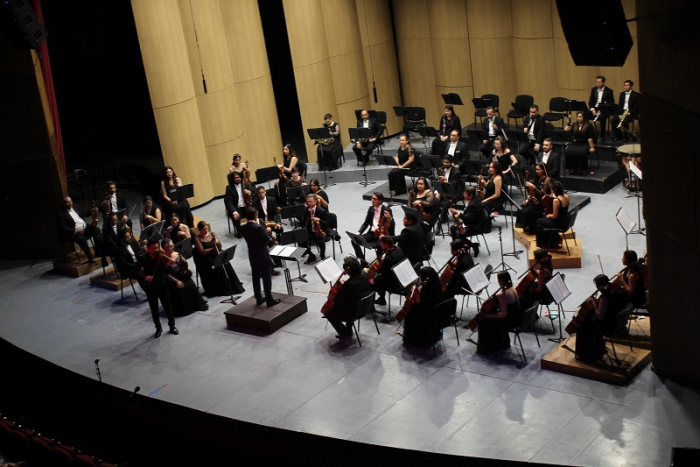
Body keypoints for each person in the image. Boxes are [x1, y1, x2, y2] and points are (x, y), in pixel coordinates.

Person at [575, 274, 625, 361]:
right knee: (586, 322)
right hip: (611, 320)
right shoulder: (612, 291)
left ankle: (585, 354)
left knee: (581, 327)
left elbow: (599, 315)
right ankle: (597, 348)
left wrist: (593, 303)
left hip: (605, 325)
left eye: (596, 284)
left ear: (599, 285)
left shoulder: (605, 297)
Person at [241, 207, 281, 308]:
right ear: (255, 215)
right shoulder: (259, 228)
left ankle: (258, 298)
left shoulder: (243, 227)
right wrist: (268, 233)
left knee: (256, 278)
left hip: (252, 255)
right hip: (263, 255)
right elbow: (267, 239)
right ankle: (269, 299)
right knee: (266, 278)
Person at [193, 221, 245, 297]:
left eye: (206, 229)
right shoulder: (197, 239)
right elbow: (202, 252)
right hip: (206, 259)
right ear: (199, 230)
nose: (206, 231)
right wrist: (212, 248)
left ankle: (231, 284)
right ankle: (223, 288)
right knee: (219, 267)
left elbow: (219, 246)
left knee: (226, 263)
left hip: (215, 255)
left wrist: (217, 243)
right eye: (203, 229)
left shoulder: (212, 234)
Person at [138, 239, 178, 338]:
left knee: (167, 306)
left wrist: (169, 265)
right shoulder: (143, 259)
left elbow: (166, 271)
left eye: (157, 248)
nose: (156, 250)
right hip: (150, 287)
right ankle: (158, 328)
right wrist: (145, 277)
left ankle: (172, 325)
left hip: (161, 285)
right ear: (148, 248)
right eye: (153, 249)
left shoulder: (161, 257)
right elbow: (136, 271)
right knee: (154, 309)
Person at [324, 256, 370, 339]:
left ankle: (345, 332)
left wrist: (339, 293)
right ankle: (349, 327)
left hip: (354, 312)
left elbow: (340, 303)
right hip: (365, 306)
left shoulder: (349, 284)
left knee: (328, 313)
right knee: (352, 301)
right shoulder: (364, 274)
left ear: (348, 269)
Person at [162, 238, 208, 315]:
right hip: (172, 279)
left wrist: (186, 268)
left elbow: (184, 264)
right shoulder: (163, 259)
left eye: (173, 245)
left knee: (190, 283)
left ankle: (194, 304)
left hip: (181, 274)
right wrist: (177, 281)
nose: (173, 247)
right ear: (165, 248)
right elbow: (165, 274)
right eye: (171, 246)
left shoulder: (176, 253)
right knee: (181, 286)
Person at [476, 271, 520, 354]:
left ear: (502, 281)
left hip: (508, 322)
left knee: (483, 320)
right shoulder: (513, 288)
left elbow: (503, 314)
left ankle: (487, 347)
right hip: (515, 318)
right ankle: (503, 343)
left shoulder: (502, 295)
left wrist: (489, 315)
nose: (498, 282)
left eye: (499, 280)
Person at [402, 266, 446, 347]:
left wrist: (415, 294)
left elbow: (420, 304)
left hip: (428, 315)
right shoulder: (437, 285)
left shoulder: (427, 289)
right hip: (437, 314)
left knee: (410, 311)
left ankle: (413, 339)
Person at [56, 196, 101, 264]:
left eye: (70, 201)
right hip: (74, 232)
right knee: (81, 239)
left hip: (84, 227)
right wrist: (76, 231)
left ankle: (98, 252)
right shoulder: (60, 214)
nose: (70, 203)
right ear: (63, 203)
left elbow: (83, 214)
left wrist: (92, 211)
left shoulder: (75, 207)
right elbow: (63, 227)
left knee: (97, 230)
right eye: (67, 202)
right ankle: (90, 258)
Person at [352, 192, 394, 261]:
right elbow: (366, 223)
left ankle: (379, 264)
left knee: (380, 246)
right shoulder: (371, 209)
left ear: (380, 201)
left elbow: (391, 223)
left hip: (381, 235)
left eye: (374, 199)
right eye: (372, 198)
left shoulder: (386, 210)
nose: (372, 200)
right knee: (354, 240)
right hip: (372, 233)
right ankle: (363, 261)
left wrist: (389, 217)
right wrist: (358, 232)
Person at [449, 187, 486, 257]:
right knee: (453, 228)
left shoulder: (472, 205)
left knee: (459, 235)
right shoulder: (475, 198)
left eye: (465, 194)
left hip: (475, 226)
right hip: (474, 222)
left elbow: (468, 220)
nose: (463, 195)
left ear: (471, 196)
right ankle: (461, 247)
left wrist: (458, 213)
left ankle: (466, 247)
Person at [369, 236, 403, 307]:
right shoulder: (398, 249)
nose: (381, 245)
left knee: (370, 284)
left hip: (393, 283)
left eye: (382, 244)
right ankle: (381, 298)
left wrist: (371, 280)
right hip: (399, 276)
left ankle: (371, 306)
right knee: (378, 276)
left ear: (387, 245)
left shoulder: (388, 259)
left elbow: (382, 278)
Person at [536, 181, 570, 249]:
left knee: (539, 221)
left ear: (555, 190)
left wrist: (549, 215)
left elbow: (554, 216)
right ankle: (554, 240)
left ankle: (543, 244)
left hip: (558, 223)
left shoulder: (556, 200)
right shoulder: (566, 196)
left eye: (551, 190)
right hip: (565, 221)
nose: (551, 191)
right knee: (544, 220)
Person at [517, 163, 549, 234]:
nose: (537, 171)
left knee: (527, 211)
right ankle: (526, 227)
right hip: (534, 199)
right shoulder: (537, 178)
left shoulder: (547, 180)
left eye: (539, 169)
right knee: (521, 208)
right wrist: (527, 199)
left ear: (543, 170)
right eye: (536, 169)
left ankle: (532, 228)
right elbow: (531, 193)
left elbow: (541, 194)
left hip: (542, 201)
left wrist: (533, 187)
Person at [299, 193, 329, 265]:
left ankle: (322, 256)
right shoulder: (306, 210)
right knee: (300, 240)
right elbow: (303, 222)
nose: (308, 203)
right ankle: (311, 255)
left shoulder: (321, 211)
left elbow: (327, 224)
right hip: (310, 231)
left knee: (320, 242)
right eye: (307, 201)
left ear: (315, 202)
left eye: (310, 201)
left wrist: (319, 220)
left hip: (321, 231)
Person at [224, 171, 255, 238]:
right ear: (232, 179)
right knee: (237, 217)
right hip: (236, 208)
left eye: (238, 177)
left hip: (246, 206)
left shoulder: (245, 185)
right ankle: (239, 231)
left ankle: (253, 228)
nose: (237, 179)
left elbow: (255, 193)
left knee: (254, 211)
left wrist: (249, 192)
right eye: (235, 178)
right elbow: (228, 202)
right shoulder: (229, 188)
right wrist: (234, 212)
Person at [436, 155, 463, 224]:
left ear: (451, 163)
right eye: (444, 162)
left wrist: (446, 180)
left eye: (447, 162)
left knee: (446, 203)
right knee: (433, 199)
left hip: (453, 193)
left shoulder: (456, 172)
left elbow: (455, 185)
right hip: (443, 192)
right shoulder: (441, 169)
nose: (445, 164)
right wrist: (437, 192)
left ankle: (441, 221)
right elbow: (439, 183)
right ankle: (435, 215)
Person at [588, 76, 615, 141]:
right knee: (584, 114)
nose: (598, 84)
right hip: (595, 108)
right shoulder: (594, 89)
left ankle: (602, 136)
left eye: (599, 82)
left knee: (602, 117)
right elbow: (590, 102)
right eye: (597, 82)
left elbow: (611, 102)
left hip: (604, 109)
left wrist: (604, 108)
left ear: (603, 82)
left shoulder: (609, 91)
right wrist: (592, 109)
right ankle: (587, 134)